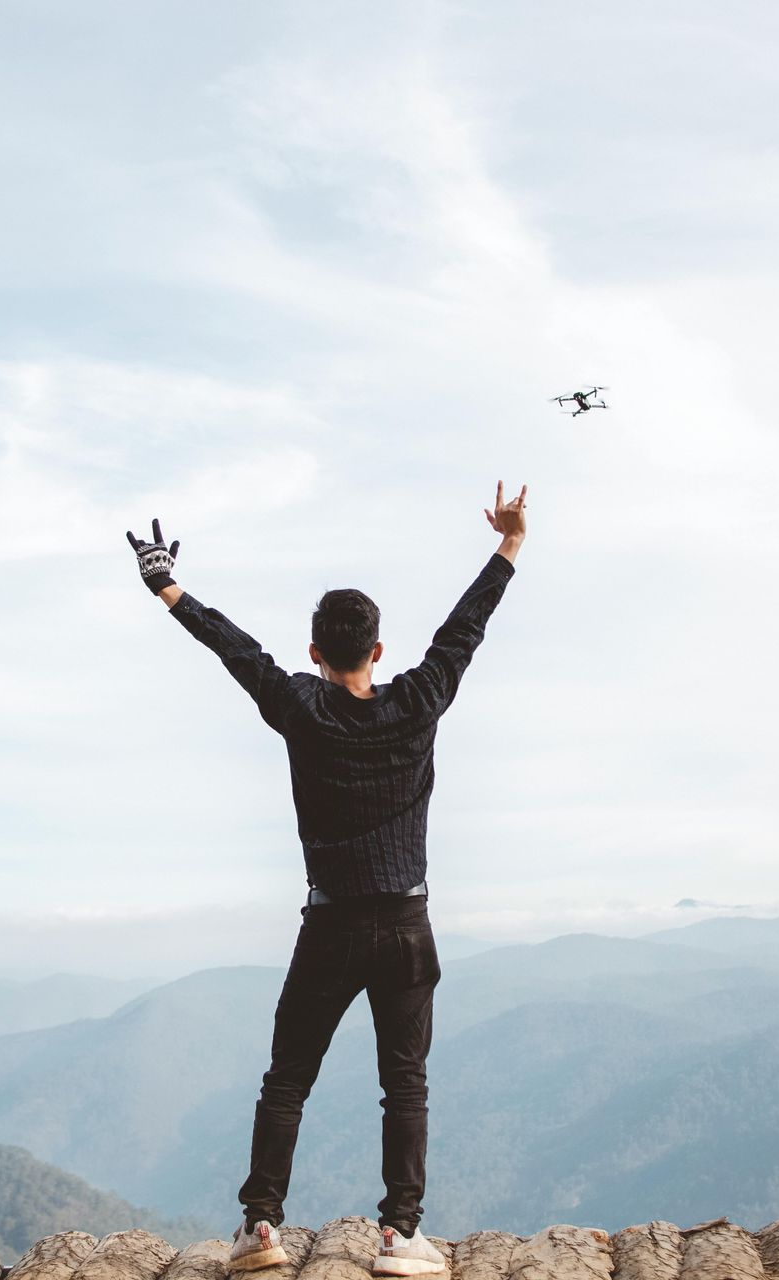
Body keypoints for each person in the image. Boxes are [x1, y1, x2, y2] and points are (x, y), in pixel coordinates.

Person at [124, 481, 528, 1276]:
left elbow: (236, 649)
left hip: (332, 925)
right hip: (408, 926)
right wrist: (509, 543)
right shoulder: (418, 699)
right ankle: (400, 1237)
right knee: (403, 1084)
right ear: (377, 650)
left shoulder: (300, 705)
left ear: (315, 652)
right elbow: (463, 631)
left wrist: (166, 584)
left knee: (288, 1081)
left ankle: (260, 1230)